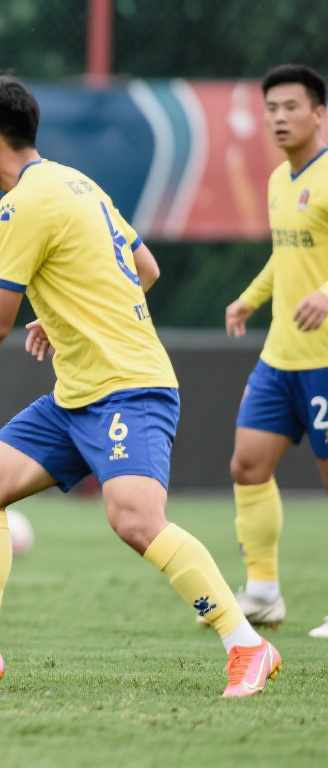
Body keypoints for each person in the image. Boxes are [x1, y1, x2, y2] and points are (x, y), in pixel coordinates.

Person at [0, 75, 279, 699]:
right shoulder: (76, 182)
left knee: (134, 519)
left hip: (128, 388)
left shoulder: (22, 204)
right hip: (77, 395)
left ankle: (249, 645)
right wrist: (61, 312)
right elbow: (145, 269)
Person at [217, 64, 328, 638]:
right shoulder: (280, 180)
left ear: (319, 113)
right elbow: (287, 257)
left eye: (291, 107)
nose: (279, 117)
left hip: (327, 359)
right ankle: (263, 592)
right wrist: (249, 299)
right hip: (281, 356)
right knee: (248, 464)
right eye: (272, 109)